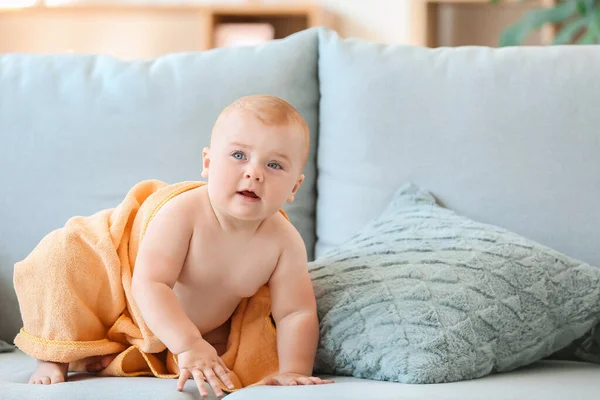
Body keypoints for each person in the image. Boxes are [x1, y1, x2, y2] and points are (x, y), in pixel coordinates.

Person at [27, 94, 333, 397]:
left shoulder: (284, 242)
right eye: (239, 155)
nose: (254, 172)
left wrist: (294, 370)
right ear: (208, 163)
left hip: (184, 328)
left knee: (232, 351)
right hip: (125, 294)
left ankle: (124, 351)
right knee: (66, 256)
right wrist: (188, 344)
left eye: (275, 164)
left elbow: (295, 313)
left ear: (294, 187)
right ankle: (54, 354)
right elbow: (150, 283)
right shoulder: (184, 213)